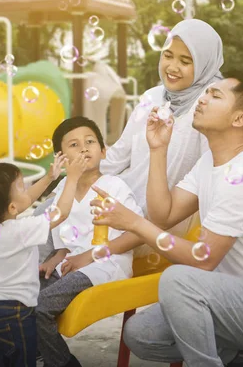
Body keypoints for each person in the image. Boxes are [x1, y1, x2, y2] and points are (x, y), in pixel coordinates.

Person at [89, 71, 243, 367]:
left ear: (239, 119)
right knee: (140, 333)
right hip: (226, 300)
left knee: (178, 279)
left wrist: (134, 223)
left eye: (215, 96)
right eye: (206, 93)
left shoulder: (242, 176)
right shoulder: (209, 162)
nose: (202, 98)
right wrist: (158, 150)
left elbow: (202, 259)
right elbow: (163, 214)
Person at [43, 18, 224, 272]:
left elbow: (209, 182)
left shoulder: (208, 109)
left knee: (49, 234)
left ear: (205, 64)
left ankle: (30, 305)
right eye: (168, 56)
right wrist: (69, 177)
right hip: (119, 197)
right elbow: (117, 156)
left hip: (157, 221)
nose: (172, 67)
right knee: (41, 215)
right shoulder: (152, 96)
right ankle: (21, 304)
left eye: (186, 61)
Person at [35, 116, 143, 367]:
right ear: (61, 158)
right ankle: (38, 354)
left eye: (90, 141)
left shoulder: (114, 186)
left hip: (106, 265)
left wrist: (89, 256)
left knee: (41, 307)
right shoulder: (64, 188)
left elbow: (137, 233)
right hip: (71, 265)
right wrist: (57, 256)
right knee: (22, 296)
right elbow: (66, 240)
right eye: (73, 145)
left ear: (103, 151)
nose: (84, 148)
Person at [0, 153, 88, 367]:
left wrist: (50, 177)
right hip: (17, 314)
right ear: (11, 207)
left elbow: (23, 201)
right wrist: (72, 178)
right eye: (21, 187)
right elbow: (61, 213)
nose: (26, 190)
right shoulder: (20, 231)